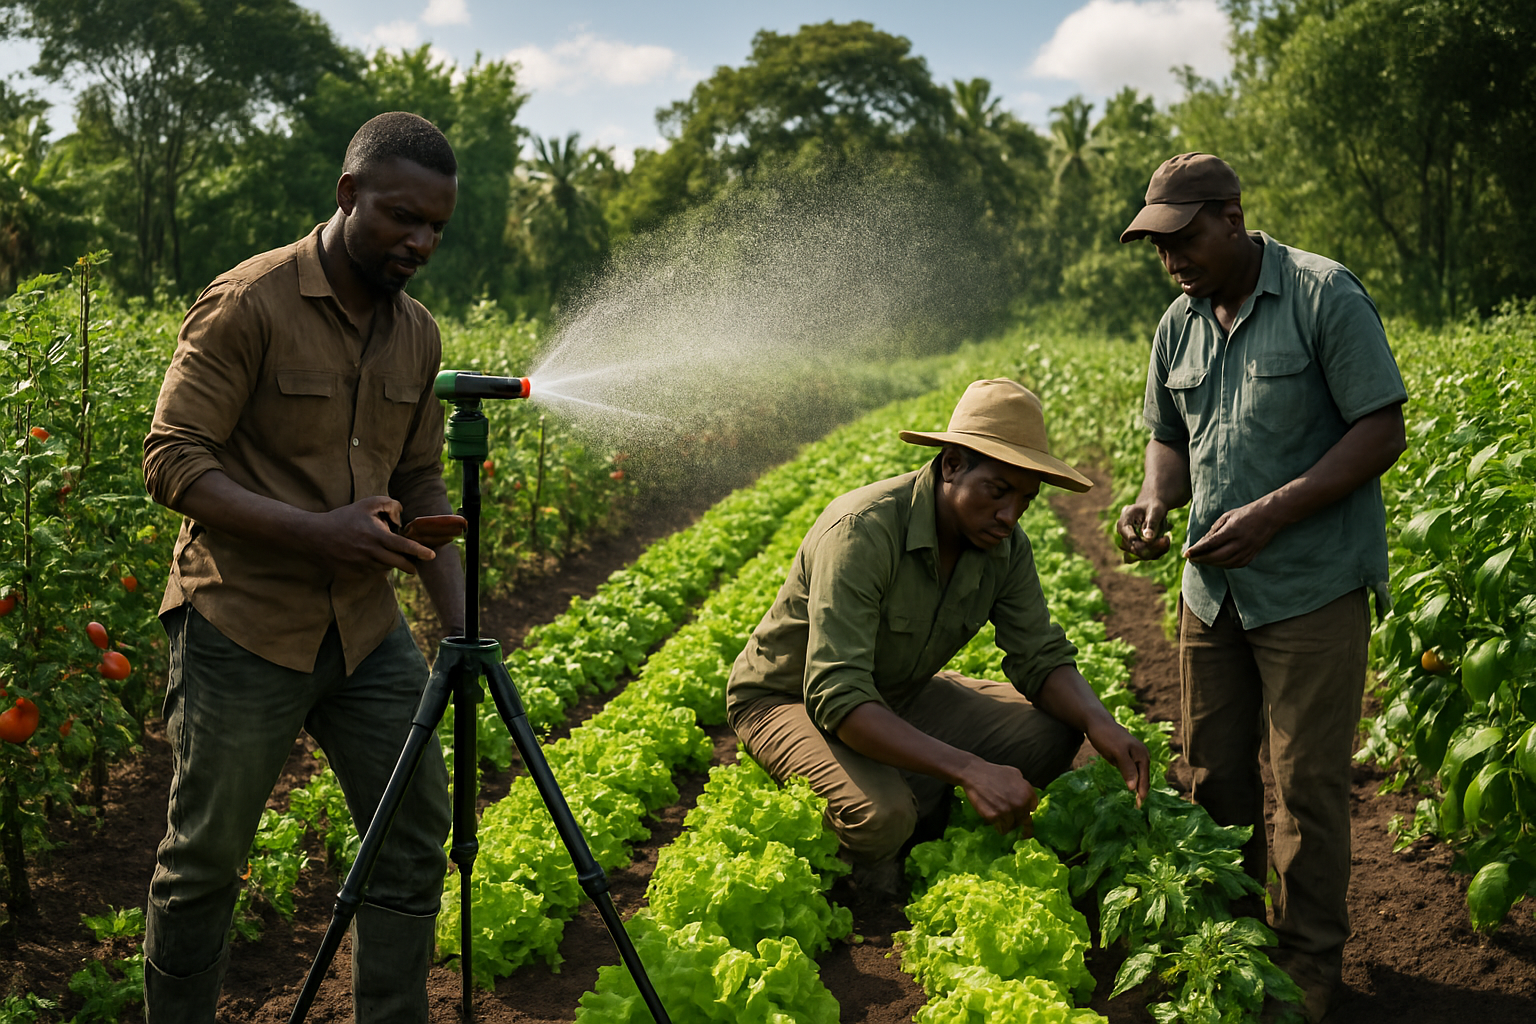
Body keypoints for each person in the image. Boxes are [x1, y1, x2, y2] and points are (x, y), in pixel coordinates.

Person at [141, 111, 468, 1024]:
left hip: (365, 632)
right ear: (348, 194)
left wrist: (461, 627)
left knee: (413, 835)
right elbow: (171, 457)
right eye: (403, 217)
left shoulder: (418, 334)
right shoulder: (251, 302)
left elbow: (420, 476)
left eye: (436, 227)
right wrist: (316, 533)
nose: (420, 242)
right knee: (205, 861)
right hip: (242, 624)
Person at [1114, 153, 1407, 1022]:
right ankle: (1238, 946)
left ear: (1232, 218)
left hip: (1311, 586)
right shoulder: (1178, 324)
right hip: (1212, 593)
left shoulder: (1322, 295)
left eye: (1184, 239)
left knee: (1307, 783)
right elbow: (1168, 437)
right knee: (1213, 776)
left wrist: (1274, 514)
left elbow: (1380, 429)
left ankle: (1310, 959)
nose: (1172, 259)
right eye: (1158, 246)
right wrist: (1152, 500)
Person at [726, 378, 1151, 895]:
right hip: (789, 698)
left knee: (1054, 731)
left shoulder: (1004, 546)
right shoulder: (862, 529)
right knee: (882, 817)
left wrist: (1100, 722)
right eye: (997, 491)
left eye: (1025, 499)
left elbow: (1039, 655)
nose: (1010, 515)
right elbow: (838, 694)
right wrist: (970, 769)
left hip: (895, 691)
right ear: (951, 464)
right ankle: (863, 849)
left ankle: (911, 791)